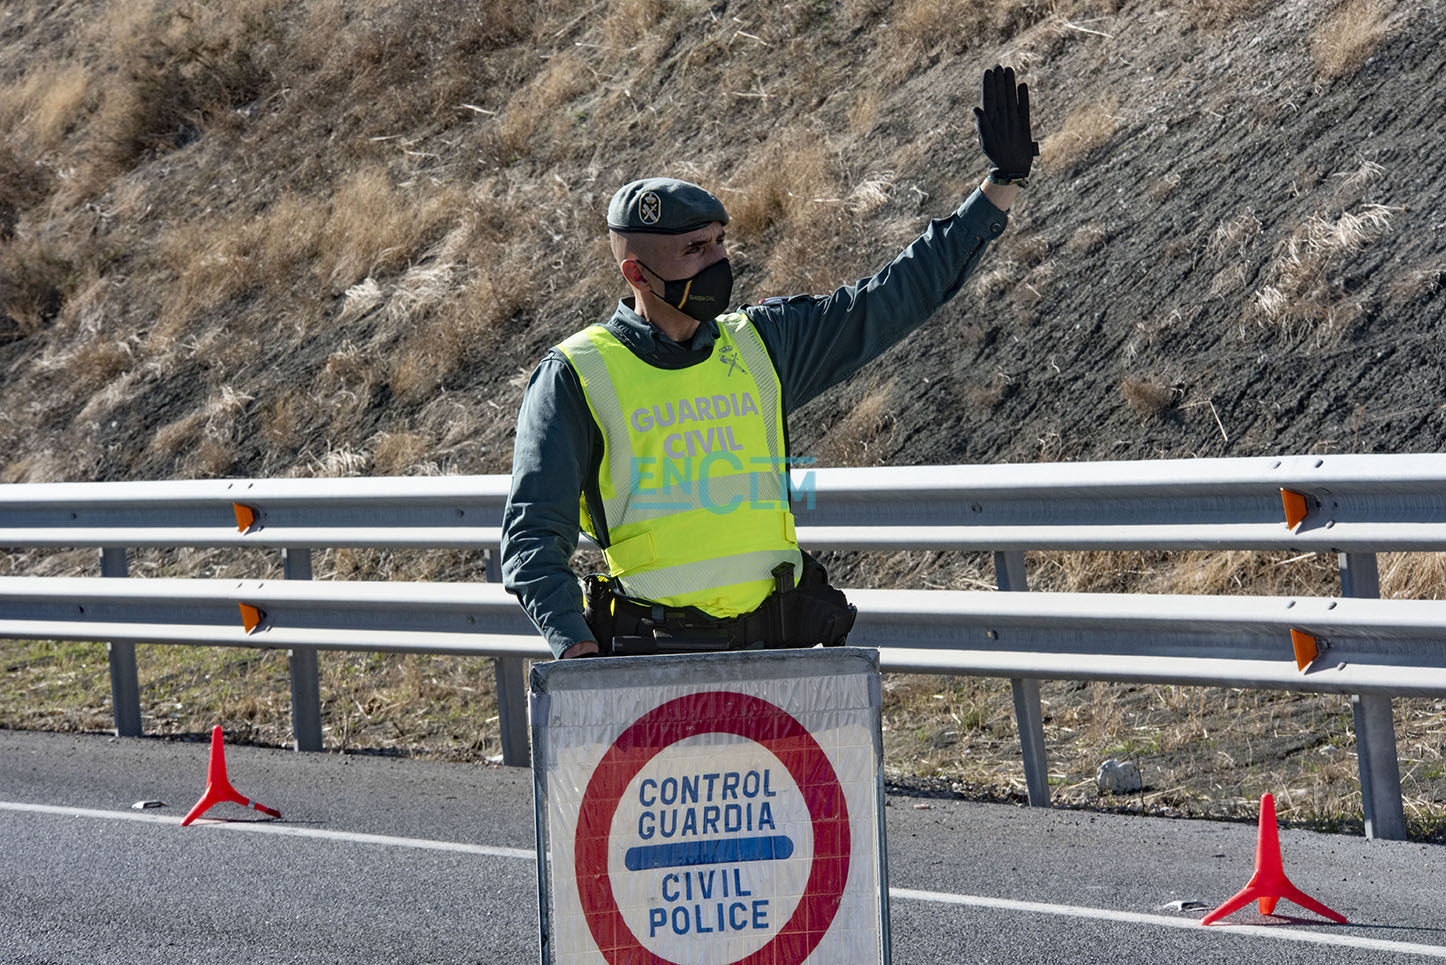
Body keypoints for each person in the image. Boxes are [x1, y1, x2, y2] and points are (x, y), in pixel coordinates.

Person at [502, 65, 1038, 658]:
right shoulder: (576, 375)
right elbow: (532, 537)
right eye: (695, 249)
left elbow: (892, 297)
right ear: (636, 273)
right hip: (652, 664)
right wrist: (574, 645)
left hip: (779, 657)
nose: (718, 261)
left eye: (720, 241)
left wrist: (999, 188)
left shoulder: (763, 343)